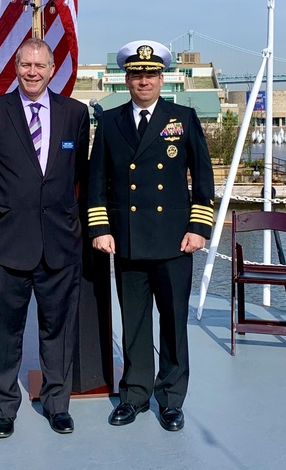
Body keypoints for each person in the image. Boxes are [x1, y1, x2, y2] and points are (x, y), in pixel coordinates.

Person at [87, 40, 215, 432]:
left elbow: (203, 177)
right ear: (127, 79)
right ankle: (136, 394)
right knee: (135, 321)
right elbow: (96, 182)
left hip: (175, 240)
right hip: (127, 240)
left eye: (151, 75)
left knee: (174, 322)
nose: (144, 81)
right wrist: (100, 228)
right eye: (136, 75)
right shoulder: (109, 121)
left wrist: (199, 227)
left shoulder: (183, 117)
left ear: (162, 78)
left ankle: (172, 398)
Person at [0, 37, 90, 439]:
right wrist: (14, 200)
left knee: (59, 329)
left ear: (52, 69)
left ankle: (58, 404)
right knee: (3, 331)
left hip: (60, 241)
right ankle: (4, 409)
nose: (32, 72)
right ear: (16, 67)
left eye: (40, 65)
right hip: (7, 242)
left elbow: (76, 172)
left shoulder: (75, 114)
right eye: (25, 65)